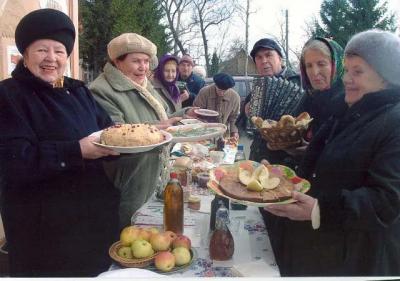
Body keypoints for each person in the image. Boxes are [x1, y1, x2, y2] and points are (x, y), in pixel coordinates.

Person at [265, 29, 400, 276]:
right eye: (347, 70)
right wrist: (284, 174)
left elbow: (387, 200)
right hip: (322, 246)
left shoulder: (394, 121)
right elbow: (326, 164)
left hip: (357, 259)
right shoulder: (350, 110)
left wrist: (319, 210)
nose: (346, 78)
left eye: (358, 71)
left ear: (387, 77)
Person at [0, 9, 120, 277]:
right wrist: (76, 151)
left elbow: (107, 132)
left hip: (94, 223)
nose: (51, 59)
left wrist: (121, 143)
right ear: (25, 54)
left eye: (59, 51)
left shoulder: (79, 91)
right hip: (45, 234)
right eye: (42, 50)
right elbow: (14, 161)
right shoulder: (8, 95)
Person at [89, 33, 194, 228]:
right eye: (136, 61)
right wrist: (160, 127)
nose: (143, 67)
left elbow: (164, 117)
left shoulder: (144, 86)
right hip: (129, 176)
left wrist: (187, 113)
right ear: (117, 62)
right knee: (131, 232)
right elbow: (117, 134)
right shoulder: (101, 90)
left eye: (146, 61)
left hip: (153, 173)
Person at [274, 37, 346, 276]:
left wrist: (309, 152)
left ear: (337, 64)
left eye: (321, 64)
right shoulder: (309, 97)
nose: (315, 72)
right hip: (300, 191)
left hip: (327, 208)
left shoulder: (346, 101)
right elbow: (299, 136)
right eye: (308, 66)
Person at [193, 73, 240, 138]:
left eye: (224, 91)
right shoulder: (204, 92)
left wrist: (234, 131)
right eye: (219, 90)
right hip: (204, 131)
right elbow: (196, 110)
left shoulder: (235, 97)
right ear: (215, 85)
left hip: (223, 132)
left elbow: (234, 117)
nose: (221, 93)